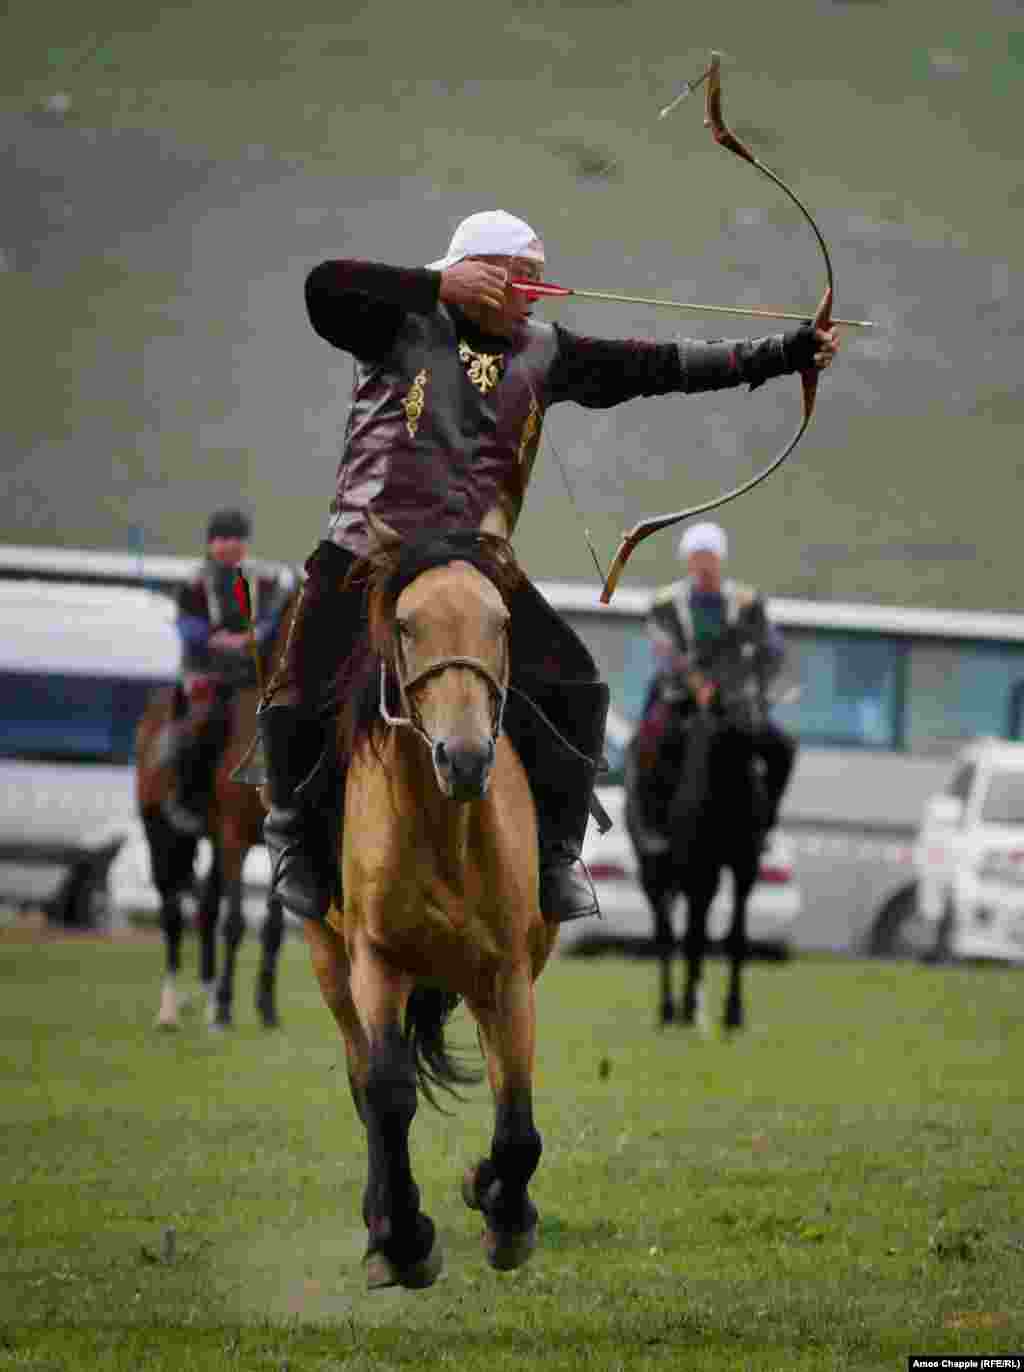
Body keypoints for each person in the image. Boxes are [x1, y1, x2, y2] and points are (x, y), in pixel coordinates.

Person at [259, 209, 839, 925]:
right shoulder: (395, 323)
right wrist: (437, 284)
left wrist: (783, 354)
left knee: (578, 690)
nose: (536, 294)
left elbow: (660, 367)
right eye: (522, 279)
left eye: (539, 281)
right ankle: (296, 845)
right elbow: (323, 287)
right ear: (478, 275)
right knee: (295, 689)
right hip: (366, 553)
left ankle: (557, 854)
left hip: (477, 564)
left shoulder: (547, 350)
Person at [634, 520, 796, 844]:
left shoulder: (747, 602)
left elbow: (771, 649)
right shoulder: (666, 602)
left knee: (782, 749)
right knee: (645, 745)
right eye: (697, 556)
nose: (704, 563)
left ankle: (764, 824)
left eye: (709, 555)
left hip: (733, 701)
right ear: (687, 560)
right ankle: (651, 824)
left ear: (720, 558)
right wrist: (694, 682)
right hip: (679, 697)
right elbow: (663, 647)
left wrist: (755, 688)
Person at [164, 509, 296, 835]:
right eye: (223, 539)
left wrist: (252, 637)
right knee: (198, 729)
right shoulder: (194, 583)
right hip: (206, 675)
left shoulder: (263, 580)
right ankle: (187, 800)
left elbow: (272, 619)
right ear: (210, 543)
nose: (230, 545)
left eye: (237, 538)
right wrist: (214, 639)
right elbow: (186, 624)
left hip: (251, 678)